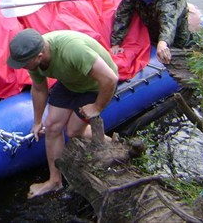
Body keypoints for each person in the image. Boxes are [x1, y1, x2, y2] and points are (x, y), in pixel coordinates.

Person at [7, 28, 119, 199]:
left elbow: (110, 78)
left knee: (73, 131)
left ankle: (115, 146)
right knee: (51, 127)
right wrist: (37, 122)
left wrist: (96, 107)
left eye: (23, 63)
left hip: (95, 85)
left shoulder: (72, 50)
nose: (21, 67)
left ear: (39, 56)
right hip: (69, 82)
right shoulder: (32, 57)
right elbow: (38, 88)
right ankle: (55, 181)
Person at [110, 0, 203, 64]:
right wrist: (116, 42)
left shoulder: (167, 3)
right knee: (152, 33)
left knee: (182, 42)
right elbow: (123, 12)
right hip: (150, 12)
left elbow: (168, 23)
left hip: (174, 19)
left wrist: (163, 42)